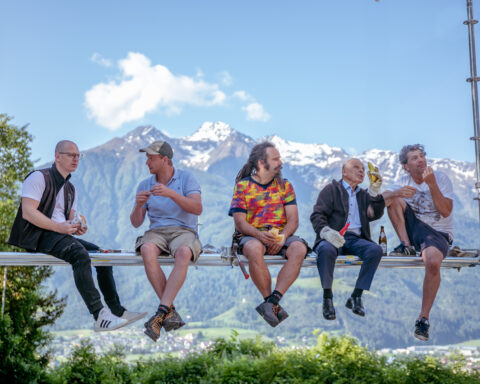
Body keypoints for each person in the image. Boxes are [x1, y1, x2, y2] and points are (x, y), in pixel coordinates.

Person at [8, 140, 145, 332]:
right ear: (57, 156)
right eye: (71, 155)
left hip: (59, 234)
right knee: (79, 255)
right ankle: (99, 315)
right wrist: (59, 227)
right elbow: (28, 212)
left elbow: (70, 220)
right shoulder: (38, 178)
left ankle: (117, 311)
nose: (76, 159)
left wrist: (77, 227)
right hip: (37, 235)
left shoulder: (71, 189)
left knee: (104, 256)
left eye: (78, 156)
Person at [228, 142, 308, 327]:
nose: (281, 162)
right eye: (276, 159)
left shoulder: (285, 186)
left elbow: (293, 221)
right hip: (251, 235)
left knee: (299, 248)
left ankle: (272, 302)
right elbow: (240, 223)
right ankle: (269, 302)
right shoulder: (243, 186)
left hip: (281, 235)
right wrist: (260, 235)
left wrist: (282, 238)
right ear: (262, 163)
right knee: (254, 248)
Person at [130, 140, 202, 341]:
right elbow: (136, 223)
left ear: (165, 160)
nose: (147, 163)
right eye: (147, 158)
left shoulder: (186, 178)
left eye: (151, 158)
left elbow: (197, 208)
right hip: (157, 231)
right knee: (146, 249)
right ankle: (168, 312)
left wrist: (170, 193)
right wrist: (138, 205)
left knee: (183, 252)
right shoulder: (145, 184)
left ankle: (162, 311)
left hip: (184, 230)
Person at [383, 144, 453, 341]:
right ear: (406, 166)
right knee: (393, 200)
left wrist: (432, 185)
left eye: (422, 156)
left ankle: (423, 318)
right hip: (414, 230)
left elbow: (446, 211)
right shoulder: (402, 180)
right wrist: (397, 193)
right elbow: (380, 200)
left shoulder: (440, 178)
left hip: (437, 233)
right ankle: (406, 245)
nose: (420, 160)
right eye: (414, 158)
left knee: (431, 262)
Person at [310, 158, 385, 320]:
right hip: (333, 236)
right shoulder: (331, 190)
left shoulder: (364, 195)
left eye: (363, 169)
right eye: (356, 168)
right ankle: (327, 298)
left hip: (356, 239)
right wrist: (326, 231)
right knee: (325, 250)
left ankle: (356, 296)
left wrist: (375, 193)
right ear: (344, 172)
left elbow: (375, 214)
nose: (361, 171)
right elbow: (317, 215)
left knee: (375, 250)